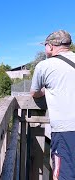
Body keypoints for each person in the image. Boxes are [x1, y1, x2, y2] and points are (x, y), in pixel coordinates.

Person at [30, 30, 75, 180]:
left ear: (50, 46)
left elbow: (34, 93)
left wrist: (44, 91)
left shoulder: (44, 66)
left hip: (65, 130)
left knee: (63, 175)